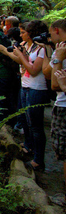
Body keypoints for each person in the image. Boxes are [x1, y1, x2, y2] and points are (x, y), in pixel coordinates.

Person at [0, 20, 50, 171]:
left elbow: (32, 70)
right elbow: (20, 60)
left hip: (36, 89)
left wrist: (20, 55)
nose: (21, 35)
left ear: (32, 34)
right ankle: (29, 146)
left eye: (23, 32)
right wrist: (4, 50)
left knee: (36, 126)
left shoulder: (42, 50)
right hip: (25, 87)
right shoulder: (29, 46)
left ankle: (38, 160)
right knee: (25, 120)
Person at [41, 19, 66, 184]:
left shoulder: (62, 52)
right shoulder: (59, 49)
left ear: (56, 30)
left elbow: (55, 84)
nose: (49, 36)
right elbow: (47, 73)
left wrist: (57, 59)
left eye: (50, 33)